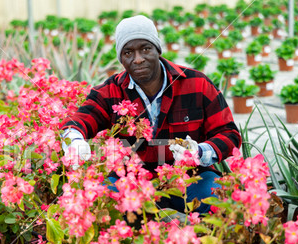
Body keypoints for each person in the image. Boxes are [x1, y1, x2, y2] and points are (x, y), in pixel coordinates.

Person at [60, 15, 241, 214]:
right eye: (128, 52)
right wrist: (74, 140)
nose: (138, 59)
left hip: (189, 178)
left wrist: (199, 152)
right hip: (130, 182)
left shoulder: (196, 83)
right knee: (98, 204)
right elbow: (80, 120)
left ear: (157, 50)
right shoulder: (109, 92)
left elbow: (229, 133)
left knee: (221, 201)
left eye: (145, 49)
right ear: (121, 58)